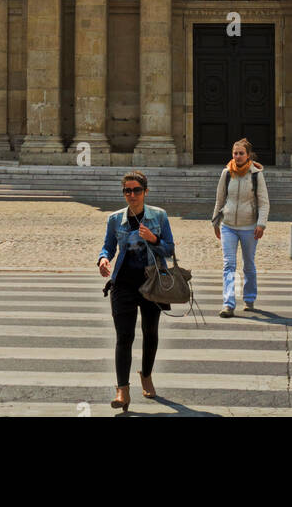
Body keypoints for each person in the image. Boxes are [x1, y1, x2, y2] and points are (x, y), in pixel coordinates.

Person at [97, 170, 175, 412]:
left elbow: (169, 250)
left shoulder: (159, 217)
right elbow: (108, 246)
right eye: (127, 191)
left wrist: (153, 239)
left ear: (145, 192)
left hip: (151, 284)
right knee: (124, 337)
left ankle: (147, 375)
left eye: (136, 190)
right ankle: (122, 389)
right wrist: (103, 259)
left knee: (150, 333)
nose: (132, 195)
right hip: (123, 284)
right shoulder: (114, 219)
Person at [212, 137, 270, 317]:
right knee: (229, 265)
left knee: (249, 265)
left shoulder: (256, 175)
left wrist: (261, 224)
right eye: (235, 153)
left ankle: (249, 298)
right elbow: (220, 199)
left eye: (241, 153)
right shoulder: (226, 173)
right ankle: (228, 303)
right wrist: (215, 221)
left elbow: (264, 202)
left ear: (248, 155)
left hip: (249, 227)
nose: (237, 156)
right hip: (228, 225)